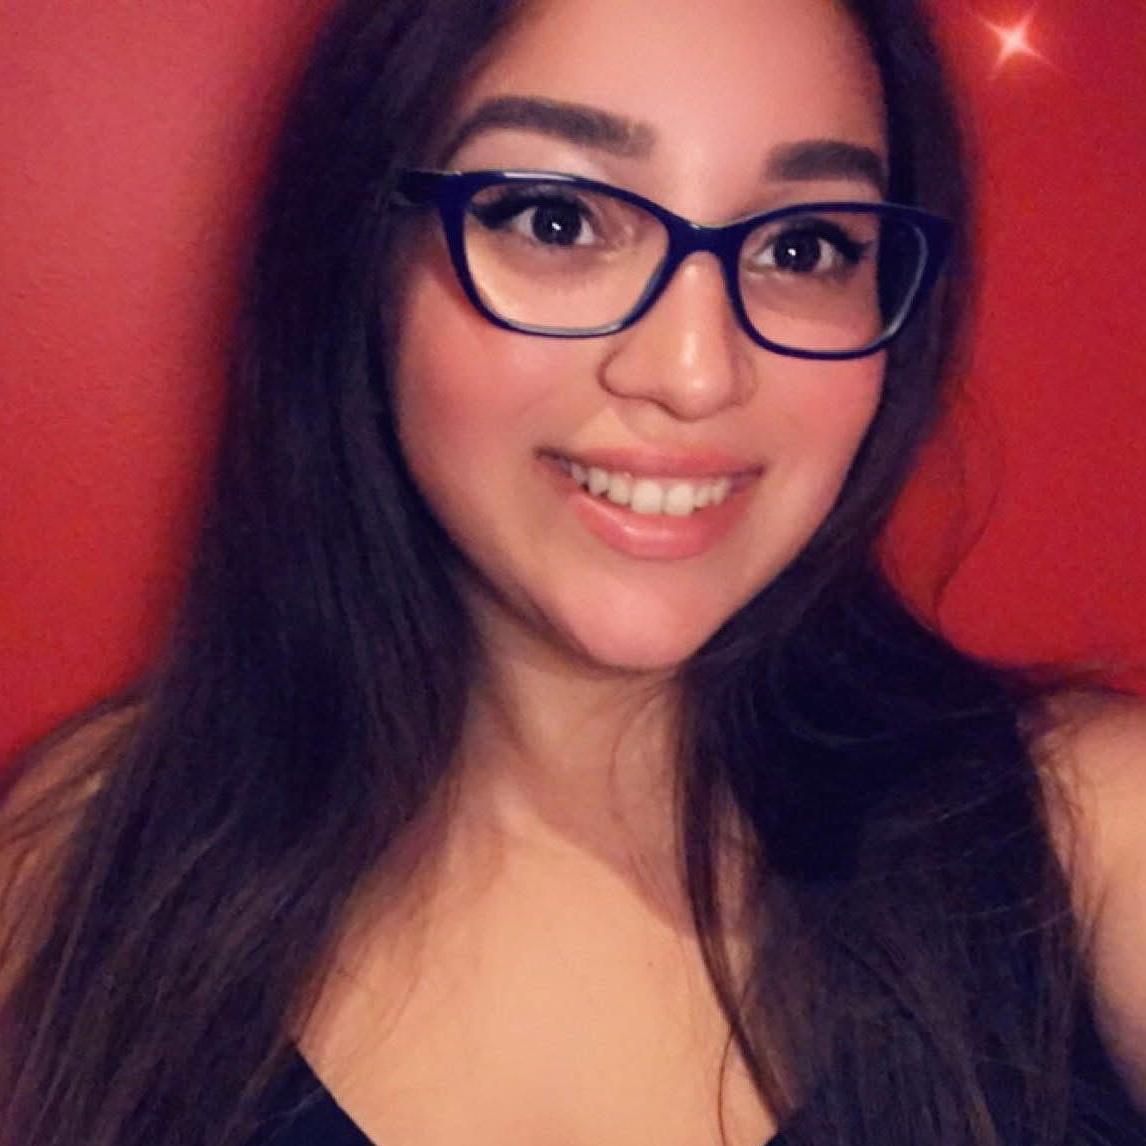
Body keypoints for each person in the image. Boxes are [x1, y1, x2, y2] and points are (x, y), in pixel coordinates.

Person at [2, 0, 1145, 1143]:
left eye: (803, 248)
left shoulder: (1096, 838)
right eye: (557, 220)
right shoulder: (90, 866)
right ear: (358, 259)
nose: (695, 373)